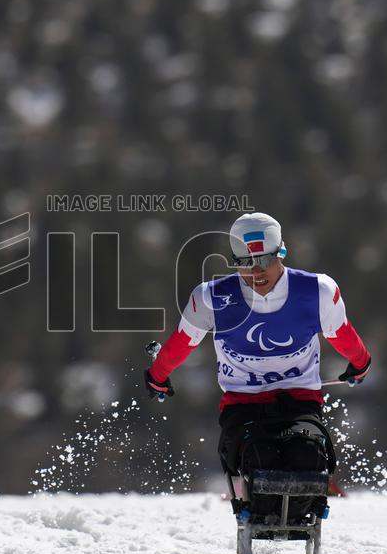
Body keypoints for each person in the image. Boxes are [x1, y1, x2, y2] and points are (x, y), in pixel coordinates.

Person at [143, 212, 371, 507]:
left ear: (282, 253)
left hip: (299, 403)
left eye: (264, 260)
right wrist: (157, 375)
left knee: (307, 454)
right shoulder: (211, 298)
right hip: (243, 406)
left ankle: (305, 512)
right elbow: (182, 343)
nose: (256, 272)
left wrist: (360, 363)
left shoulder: (317, 291)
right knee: (259, 458)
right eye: (245, 263)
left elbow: (343, 335)